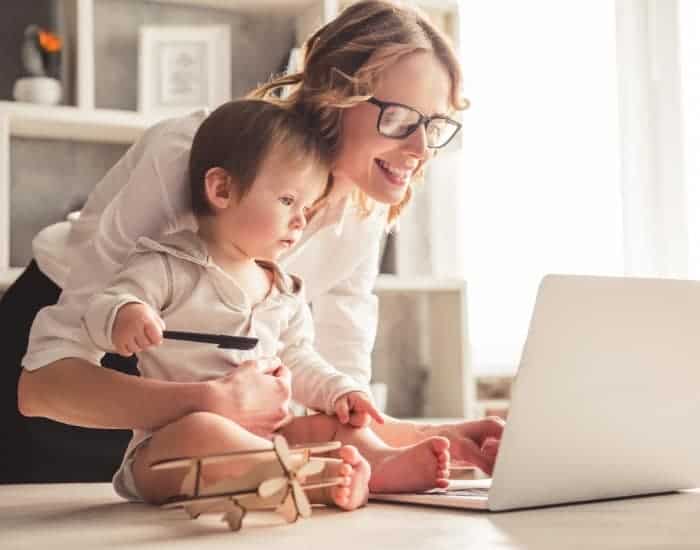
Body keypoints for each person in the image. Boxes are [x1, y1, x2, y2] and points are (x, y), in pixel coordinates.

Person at [13, 0, 503, 484]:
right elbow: (41, 385)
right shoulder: (195, 155)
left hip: (212, 415)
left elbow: (334, 396)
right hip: (79, 374)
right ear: (335, 95)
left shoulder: (363, 209)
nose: (419, 150)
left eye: (434, 126)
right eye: (398, 118)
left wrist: (429, 439)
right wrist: (209, 401)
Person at [83, 98, 451, 507]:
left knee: (328, 424)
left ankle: (379, 462)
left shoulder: (283, 290)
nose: (300, 220)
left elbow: (298, 358)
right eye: (288, 201)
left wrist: (339, 392)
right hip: (166, 451)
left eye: (307, 208)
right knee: (204, 429)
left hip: (269, 439)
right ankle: (310, 479)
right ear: (221, 189)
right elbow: (104, 304)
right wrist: (124, 314)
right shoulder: (169, 266)